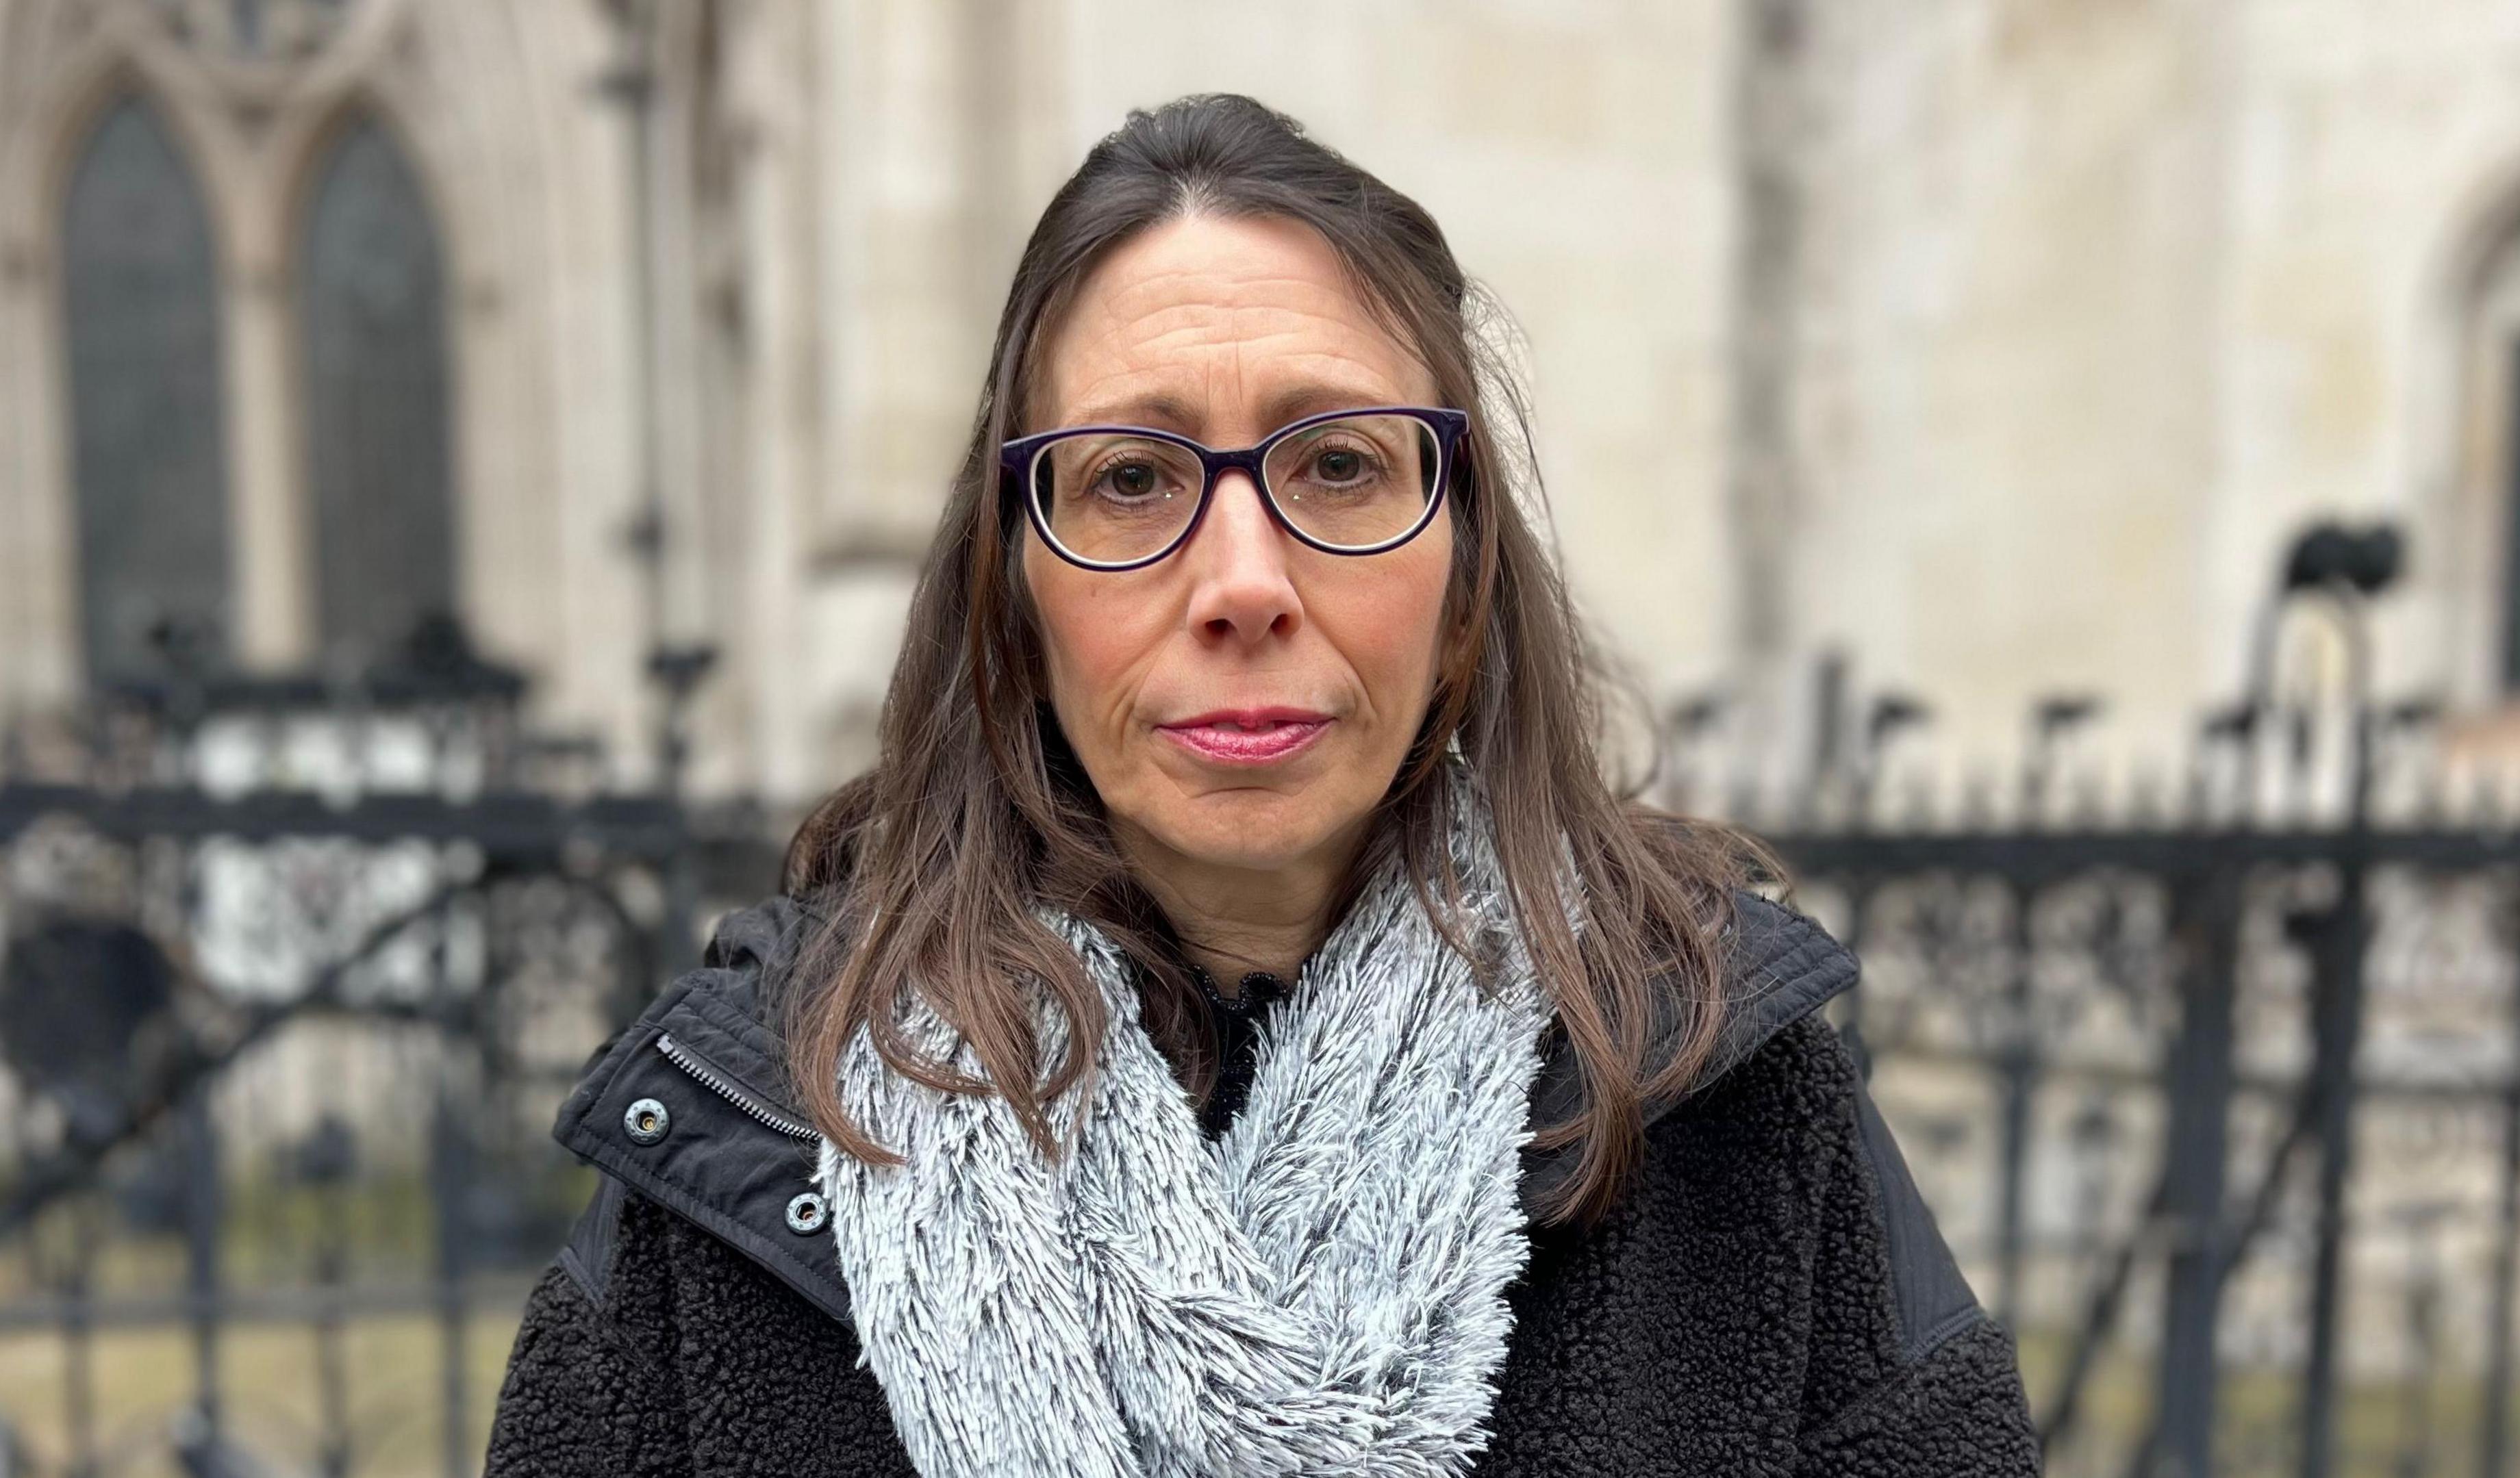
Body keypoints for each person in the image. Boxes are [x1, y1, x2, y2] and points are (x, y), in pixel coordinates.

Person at [486, 92, 2038, 1477]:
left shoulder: (1725, 1096)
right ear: (1013, 605)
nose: (1243, 581)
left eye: (1340, 468)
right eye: (1132, 480)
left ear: (1467, 588)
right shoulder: (760, 1123)